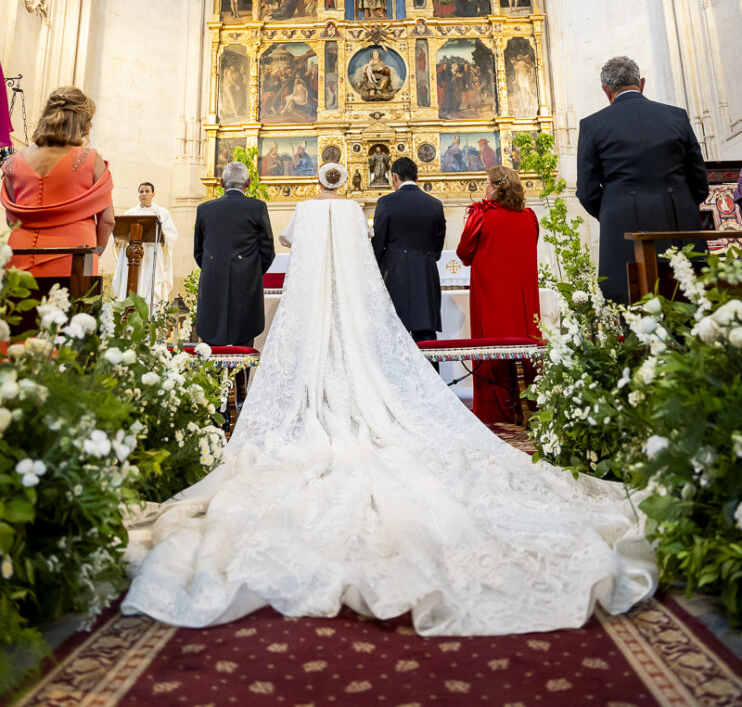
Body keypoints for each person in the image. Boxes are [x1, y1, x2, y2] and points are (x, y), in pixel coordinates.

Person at [122, 163, 656, 634]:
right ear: (342, 181)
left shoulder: (305, 213)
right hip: (356, 308)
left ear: (316, 182)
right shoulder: (355, 211)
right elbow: (365, 249)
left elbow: (285, 244)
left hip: (313, 312)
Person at [576, 56, 709, 304]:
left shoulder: (593, 125)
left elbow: (586, 190)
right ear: (642, 83)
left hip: (623, 230)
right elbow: (699, 179)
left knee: (633, 306)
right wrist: (681, 203)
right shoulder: (677, 116)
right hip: (679, 224)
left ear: (606, 90)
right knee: (689, 304)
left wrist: (613, 210)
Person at [0, 87, 114, 294]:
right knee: (70, 321)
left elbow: (11, 218)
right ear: (82, 121)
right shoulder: (90, 160)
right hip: (74, 256)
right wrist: (94, 253)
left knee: (21, 320)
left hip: (19, 252)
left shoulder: (14, 161)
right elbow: (107, 220)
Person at [456, 166, 541, 423]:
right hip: (523, 297)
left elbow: (463, 252)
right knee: (525, 344)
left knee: (491, 344)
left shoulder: (482, 215)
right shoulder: (530, 217)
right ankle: (529, 404)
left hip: (491, 294)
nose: (484, 189)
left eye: (486, 184)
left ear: (494, 187)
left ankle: (496, 408)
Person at [193, 161, 275, 346]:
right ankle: (241, 375)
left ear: (221, 183)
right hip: (246, 281)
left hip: (213, 278)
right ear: (248, 183)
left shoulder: (204, 209)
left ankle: (213, 374)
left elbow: (198, 251)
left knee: (211, 338)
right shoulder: (257, 207)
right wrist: (251, 271)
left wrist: (214, 266)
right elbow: (268, 250)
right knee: (244, 337)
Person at [372, 156, 446, 346]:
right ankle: (431, 374)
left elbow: (379, 241)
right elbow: (438, 244)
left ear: (394, 176)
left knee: (396, 333)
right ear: (417, 176)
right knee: (426, 333)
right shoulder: (435, 204)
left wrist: (377, 270)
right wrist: (426, 258)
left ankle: (397, 377)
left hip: (396, 274)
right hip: (426, 273)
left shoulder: (386, 203)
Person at [111, 182, 178, 307]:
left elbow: (172, 235)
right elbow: (119, 234)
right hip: (131, 258)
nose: (143, 194)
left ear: (153, 194)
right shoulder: (129, 214)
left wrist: (162, 236)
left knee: (149, 288)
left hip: (151, 257)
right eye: (141, 191)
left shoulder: (162, 213)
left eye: (147, 191)